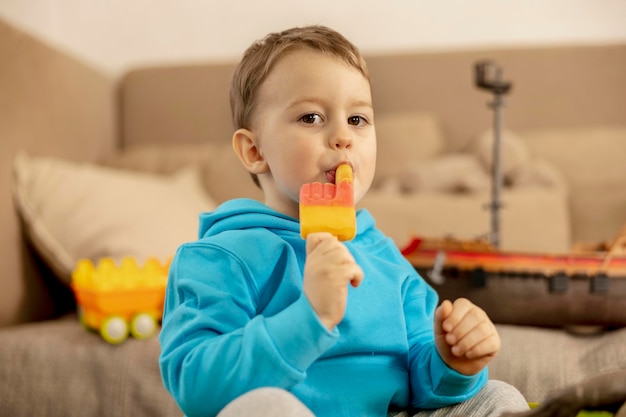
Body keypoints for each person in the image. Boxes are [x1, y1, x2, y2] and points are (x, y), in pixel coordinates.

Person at [159, 25, 529, 417]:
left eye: (357, 120)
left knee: (498, 397)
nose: (342, 137)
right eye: (311, 117)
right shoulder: (219, 258)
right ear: (254, 150)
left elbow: (419, 380)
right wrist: (309, 317)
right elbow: (196, 386)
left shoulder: (384, 258)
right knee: (266, 407)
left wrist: (453, 362)